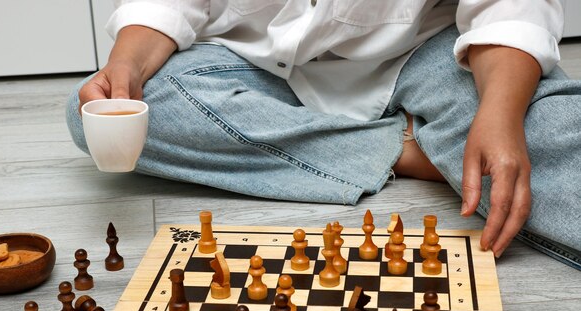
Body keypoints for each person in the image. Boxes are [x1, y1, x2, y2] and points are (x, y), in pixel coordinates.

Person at [66, 0, 581, 270]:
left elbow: (509, 10)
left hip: (427, 52)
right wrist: (126, 68)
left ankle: (449, 139)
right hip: (258, 63)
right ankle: (409, 149)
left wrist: (500, 113)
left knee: (533, 139)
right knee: (92, 112)